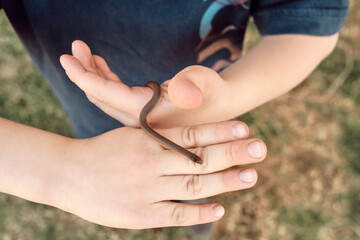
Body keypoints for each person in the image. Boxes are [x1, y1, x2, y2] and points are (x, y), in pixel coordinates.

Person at [0, 0, 348, 232]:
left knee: (192, 175)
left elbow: (307, 27)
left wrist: (227, 97)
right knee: (103, 136)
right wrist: (62, 171)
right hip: (88, 102)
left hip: (194, 113)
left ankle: (192, 216)